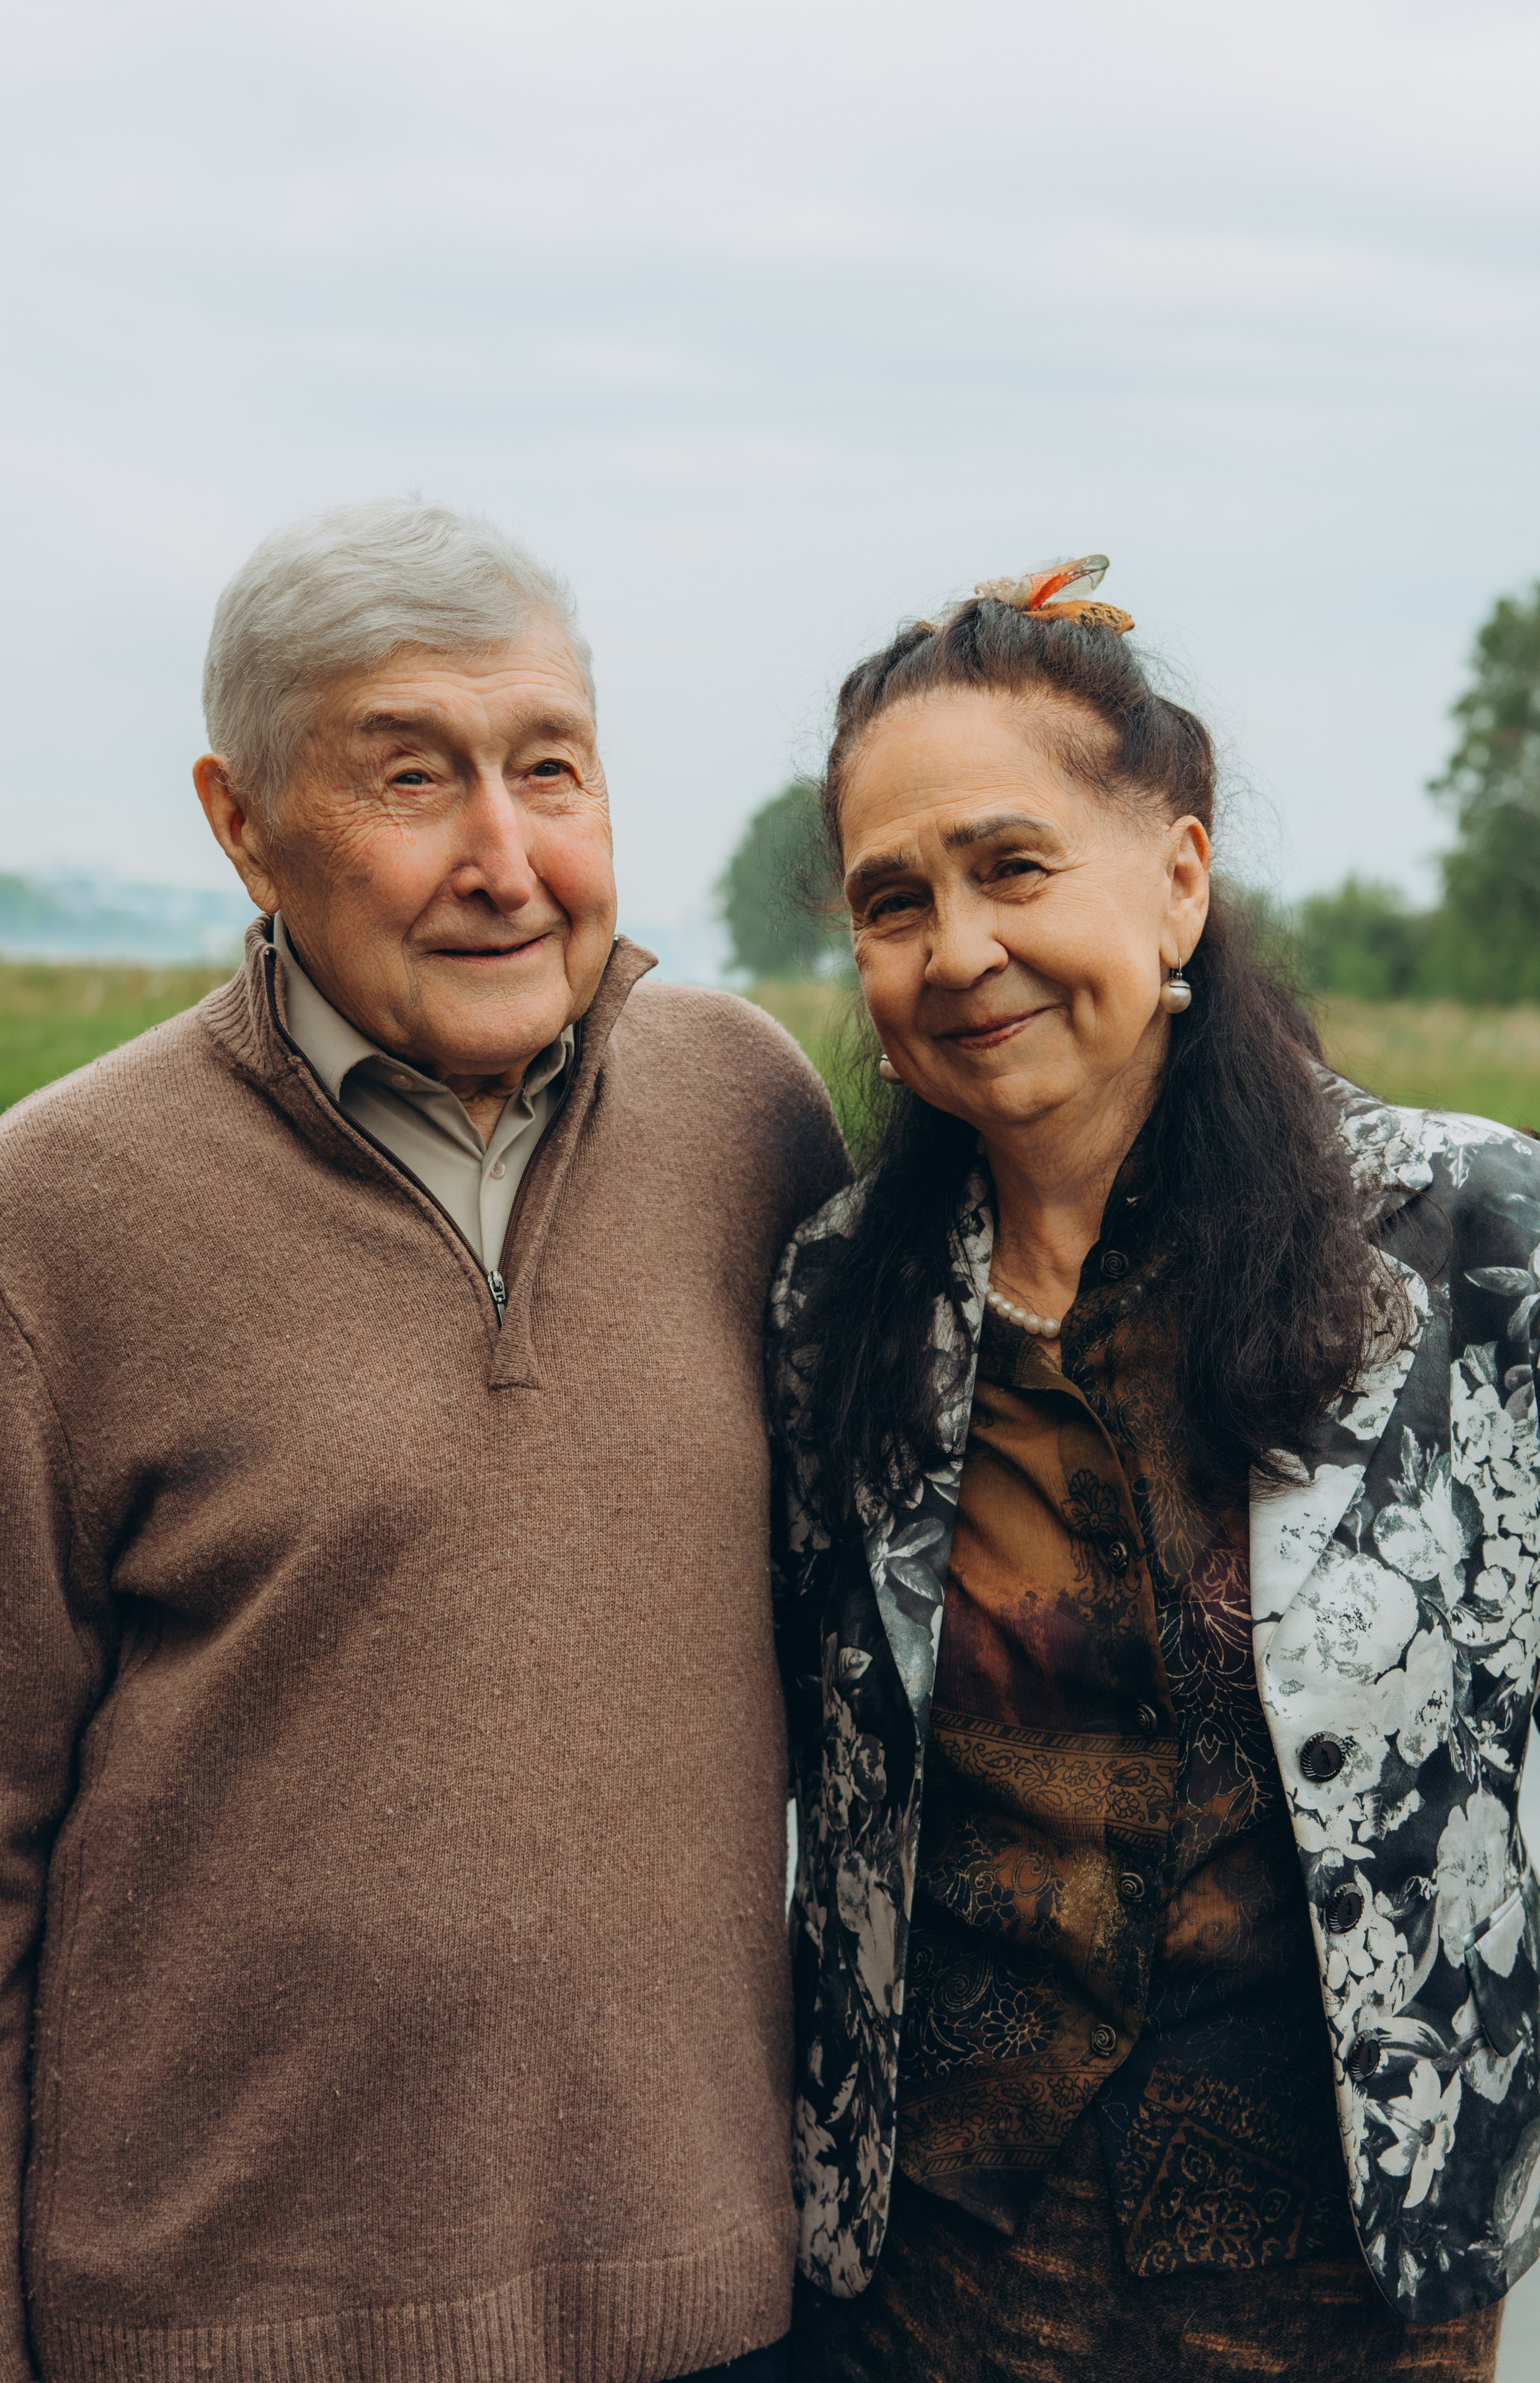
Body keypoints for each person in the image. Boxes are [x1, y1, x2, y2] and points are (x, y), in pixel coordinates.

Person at [0, 501, 847, 2383]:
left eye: (548, 769)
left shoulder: (750, 1123)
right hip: (222, 2339)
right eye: (412, 780)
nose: (504, 860)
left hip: (719, 2320)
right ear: (242, 820)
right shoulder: (46, 1219)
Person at [768, 562, 1540, 2381]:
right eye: (896, 900)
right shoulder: (835, 1299)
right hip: (938, 2280)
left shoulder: (1464, 1236)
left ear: (1178, 877)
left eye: (1012, 865)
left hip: (1352, 2273)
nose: (958, 948)